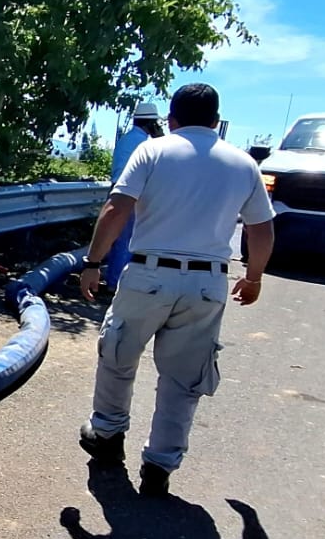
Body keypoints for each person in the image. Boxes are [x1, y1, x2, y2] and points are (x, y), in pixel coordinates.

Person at [75, 84, 275, 497]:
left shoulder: (153, 151)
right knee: (183, 380)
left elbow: (117, 207)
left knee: (118, 355)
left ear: (171, 118)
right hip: (207, 282)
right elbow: (261, 227)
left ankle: (108, 436)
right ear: (217, 121)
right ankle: (160, 465)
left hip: (149, 275)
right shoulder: (242, 163)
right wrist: (253, 276)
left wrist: (93, 262)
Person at [103, 103, 167, 288]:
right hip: (132, 191)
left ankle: (113, 281)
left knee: (118, 237)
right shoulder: (146, 143)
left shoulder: (128, 139)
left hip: (118, 188)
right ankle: (117, 284)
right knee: (128, 241)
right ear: (151, 122)